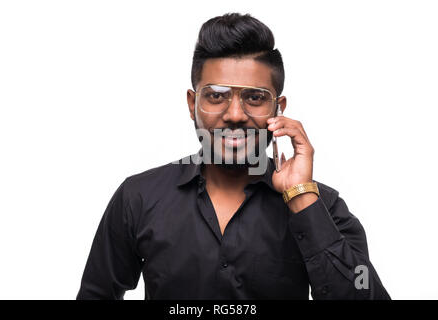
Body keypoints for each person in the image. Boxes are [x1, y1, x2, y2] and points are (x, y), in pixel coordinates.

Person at [76, 13, 390, 300]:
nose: (235, 115)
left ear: (278, 109)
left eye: (254, 98)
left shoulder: (323, 206)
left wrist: (301, 198)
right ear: (192, 104)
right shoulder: (138, 197)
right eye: (216, 96)